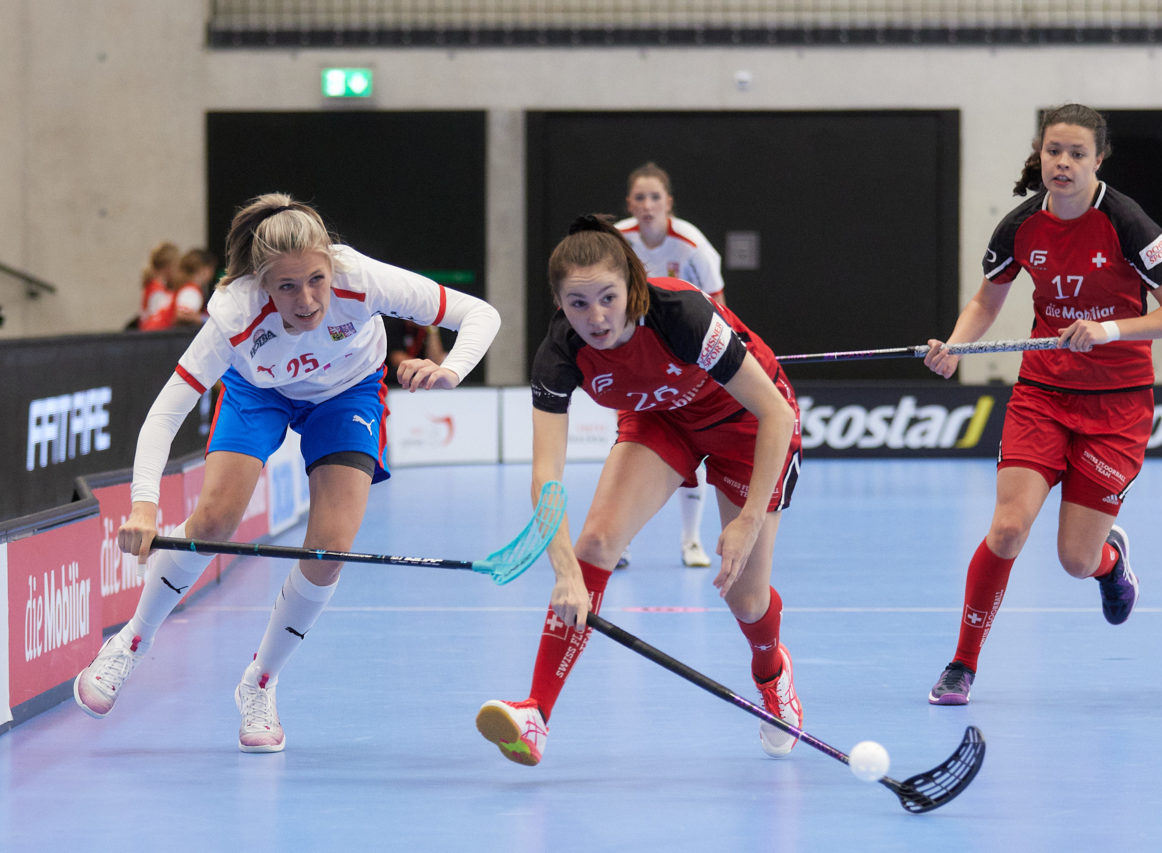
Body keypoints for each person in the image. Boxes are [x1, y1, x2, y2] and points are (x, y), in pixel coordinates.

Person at [73, 192, 501, 751]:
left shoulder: (362, 277)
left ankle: (261, 681)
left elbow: (480, 313)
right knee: (215, 521)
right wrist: (145, 505)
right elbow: (166, 410)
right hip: (259, 391)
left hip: (348, 393)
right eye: (287, 287)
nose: (306, 300)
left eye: (317, 280)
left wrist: (450, 370)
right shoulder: (235, 311)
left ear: (332, 266)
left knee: (328, 552)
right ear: (262, 284)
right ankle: (132, 640)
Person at [475, 214, 802, 766]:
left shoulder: (681, 316)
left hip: (745, 425)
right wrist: (566, 574)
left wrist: (746, 520)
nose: (596, 317)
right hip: (660, 420)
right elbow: (545, 479)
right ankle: (536, 715)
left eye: (608, 297)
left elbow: (774, 413)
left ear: (633, 283)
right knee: (596, 545)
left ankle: (772, 673)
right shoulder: (560, 354)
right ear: (558, 303)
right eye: (577, 304)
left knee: (746, 598)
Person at [922, 104, 1162, 706]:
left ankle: (1109, 563)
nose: (1063, 164)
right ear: (1040, 154)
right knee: (1007, 528)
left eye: (1076, 154)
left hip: (1117, 407)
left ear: (1098, 160)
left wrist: (1110, 330)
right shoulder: (1019, 228)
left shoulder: (1130, 225)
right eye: (1054, 152)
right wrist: (956, 347)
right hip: (1043, 394)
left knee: (1075, 559)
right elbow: (985, 303)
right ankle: (962, 665)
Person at [614, 161, 727, 569]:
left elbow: (719, 307)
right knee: (629, 447)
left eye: (655, 197)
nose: (647, 205)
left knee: (690, 448)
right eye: (640, 198)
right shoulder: (617, 241)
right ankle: (620, 542)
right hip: (634, 360)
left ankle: (691, 541)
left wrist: (723, 358)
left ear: (669, 203)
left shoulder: (692, 245)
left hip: (685, 360)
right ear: (630, 203)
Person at [136, 242, 181, 330]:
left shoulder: (159, 287)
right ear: (169, 266)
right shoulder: (156, 291)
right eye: (177, 266)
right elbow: (160, 321)